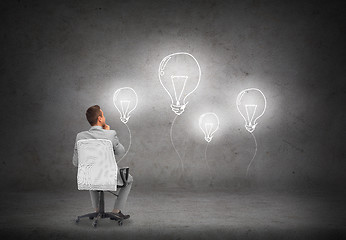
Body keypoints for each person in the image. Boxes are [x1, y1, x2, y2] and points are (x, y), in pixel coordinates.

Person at [73, 105, 133, 219]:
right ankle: (116, 210)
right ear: (100, 118)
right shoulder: (110, 134)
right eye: (103, 115)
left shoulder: (80, 136)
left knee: (92, 173)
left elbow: (76, 162)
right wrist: (108, 133)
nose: (104, 117)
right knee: (129, 179)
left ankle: (96, 210)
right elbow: (121, 151)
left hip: (87, 177)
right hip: (108, 177)